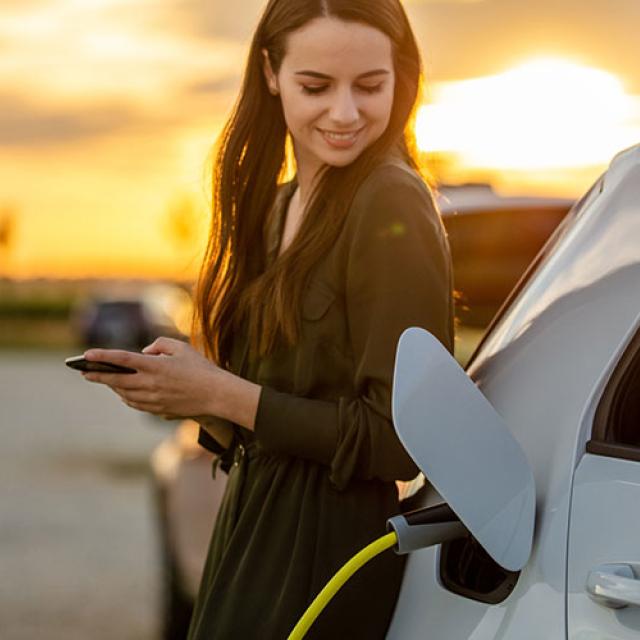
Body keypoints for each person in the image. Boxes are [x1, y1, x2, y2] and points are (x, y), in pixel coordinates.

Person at [81, 0, 454, 637]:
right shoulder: (277, 207)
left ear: (403, 78)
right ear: (270, 74)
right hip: (251, 528)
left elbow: (399, 441)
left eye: (370, 85)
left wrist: (219, 392)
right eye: (316, 86)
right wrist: (187, 392)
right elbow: (275, 406)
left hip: (328, 556)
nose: (345, 112)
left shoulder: (389, 202)